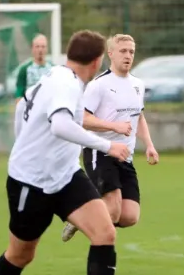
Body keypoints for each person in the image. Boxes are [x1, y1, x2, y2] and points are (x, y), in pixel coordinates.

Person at [0, 30, 136, 275]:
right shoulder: (65, 83)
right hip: (30, 181)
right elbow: (59, 125)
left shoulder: (57, 76)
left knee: (104, 232)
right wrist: (106, 146)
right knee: (21, 255)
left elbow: (23, 109)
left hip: (66, 176)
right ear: (99, 60)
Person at [61, 34, 158, 243]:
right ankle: (101, 253)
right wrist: (114, 126)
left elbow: (138, 116)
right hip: (101, 151)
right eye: (123, 51)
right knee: (112, 210)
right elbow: (82, 119)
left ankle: (82, 217)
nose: (128, 55)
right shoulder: (99, 85)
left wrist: (149, 145)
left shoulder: (138, 85)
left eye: (131, 51)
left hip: (125, 156)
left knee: (130, 216)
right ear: (110, 54)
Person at [14, 34, 54, 103]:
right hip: (30, 110)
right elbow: (19, 94)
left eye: (43, 46)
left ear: (47, 49)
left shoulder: (53, 69)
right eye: (37, 46)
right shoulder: (24, 69)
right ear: (32, 49)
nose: (40, 49)